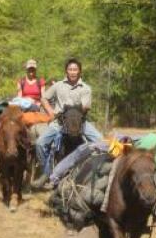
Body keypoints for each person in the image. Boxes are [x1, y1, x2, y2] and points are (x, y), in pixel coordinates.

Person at [31, 58, 103, 189]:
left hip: (79, 122)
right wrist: (51, 112)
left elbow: (86, 106)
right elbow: (44, 98)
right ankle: (45, 173)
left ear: (80, 71)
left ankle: (99, 173)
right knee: (40, 143)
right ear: (66, 71)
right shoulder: (58, 85)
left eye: (75, 69)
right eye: (70, 69)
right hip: (59, 122)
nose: (73, 72)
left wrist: (72, 110)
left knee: (101, 141)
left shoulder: (86, 88)